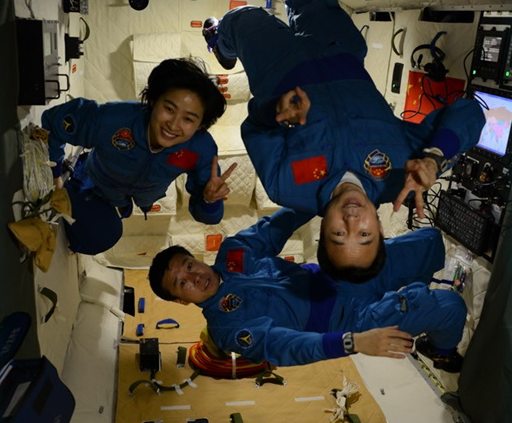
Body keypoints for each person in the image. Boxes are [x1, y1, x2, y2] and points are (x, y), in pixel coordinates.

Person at [201, 1, 486, 282]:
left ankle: (220, 44)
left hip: (278, 68)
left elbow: (255, 130)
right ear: (379, 229)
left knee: (243, 17)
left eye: (338, 235)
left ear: (324, 230)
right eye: (364, 235)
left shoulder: (285, 186)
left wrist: (277, 112)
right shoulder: (408, 175)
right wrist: (436, 155)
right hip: (340, 54)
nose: (351, 221)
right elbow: (470, 111)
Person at [149, 207, 466, 373]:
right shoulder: (227, 329)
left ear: (195, 259)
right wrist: (351, 342)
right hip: (347, 323)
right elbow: (285, 346)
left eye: (188, 266)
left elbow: (279, 224)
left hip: (339, 275)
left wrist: (320, 195)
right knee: (450, 306)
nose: (193, 278)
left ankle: (414, 296)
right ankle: (441, 350)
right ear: (180, 300)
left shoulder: (234, 252)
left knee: (427, 242)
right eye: (181, 283)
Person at [42, 57, 237, 255]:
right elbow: (54, 122)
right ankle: (73, 191)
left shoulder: (199, 149)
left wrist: (209, 199)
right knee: (105, 234)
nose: (174, 124)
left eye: (188, 119)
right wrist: (56, 174)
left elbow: (209, 217)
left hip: (127, 200)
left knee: (100, 232)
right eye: (169, 109)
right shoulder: (116, 119)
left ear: (200, 126)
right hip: (93, 184)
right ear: (153, 101)